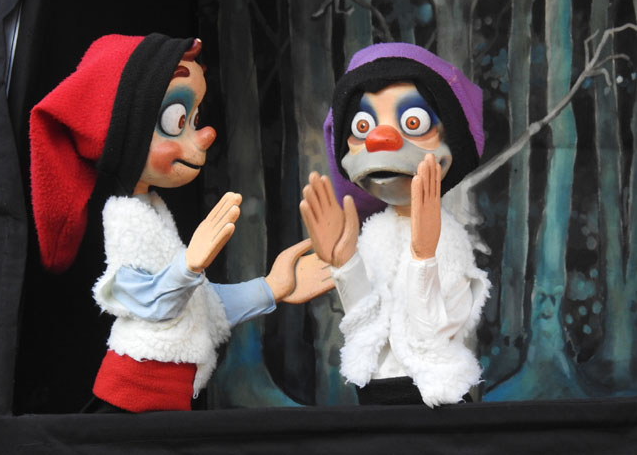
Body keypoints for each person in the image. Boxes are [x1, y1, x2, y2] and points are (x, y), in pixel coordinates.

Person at [29, 34, 331, 412]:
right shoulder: (125, 217)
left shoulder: (153, 211)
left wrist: (270, 288)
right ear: (125, 131)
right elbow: (146, 301)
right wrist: (188, 267)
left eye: (195, 119)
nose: (204, 135)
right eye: (177, 120)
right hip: (135, 396)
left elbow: (197, 306)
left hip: (167, 398)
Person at [299, 43, 490, 407]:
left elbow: (429, 338)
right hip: (375, 393)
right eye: (363, 126)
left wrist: (424, 257)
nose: (380, 139)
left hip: (434, 401)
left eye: (413, 123)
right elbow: (366, 323)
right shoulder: (374, 233)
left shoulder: (448, 240)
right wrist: (345, 264)